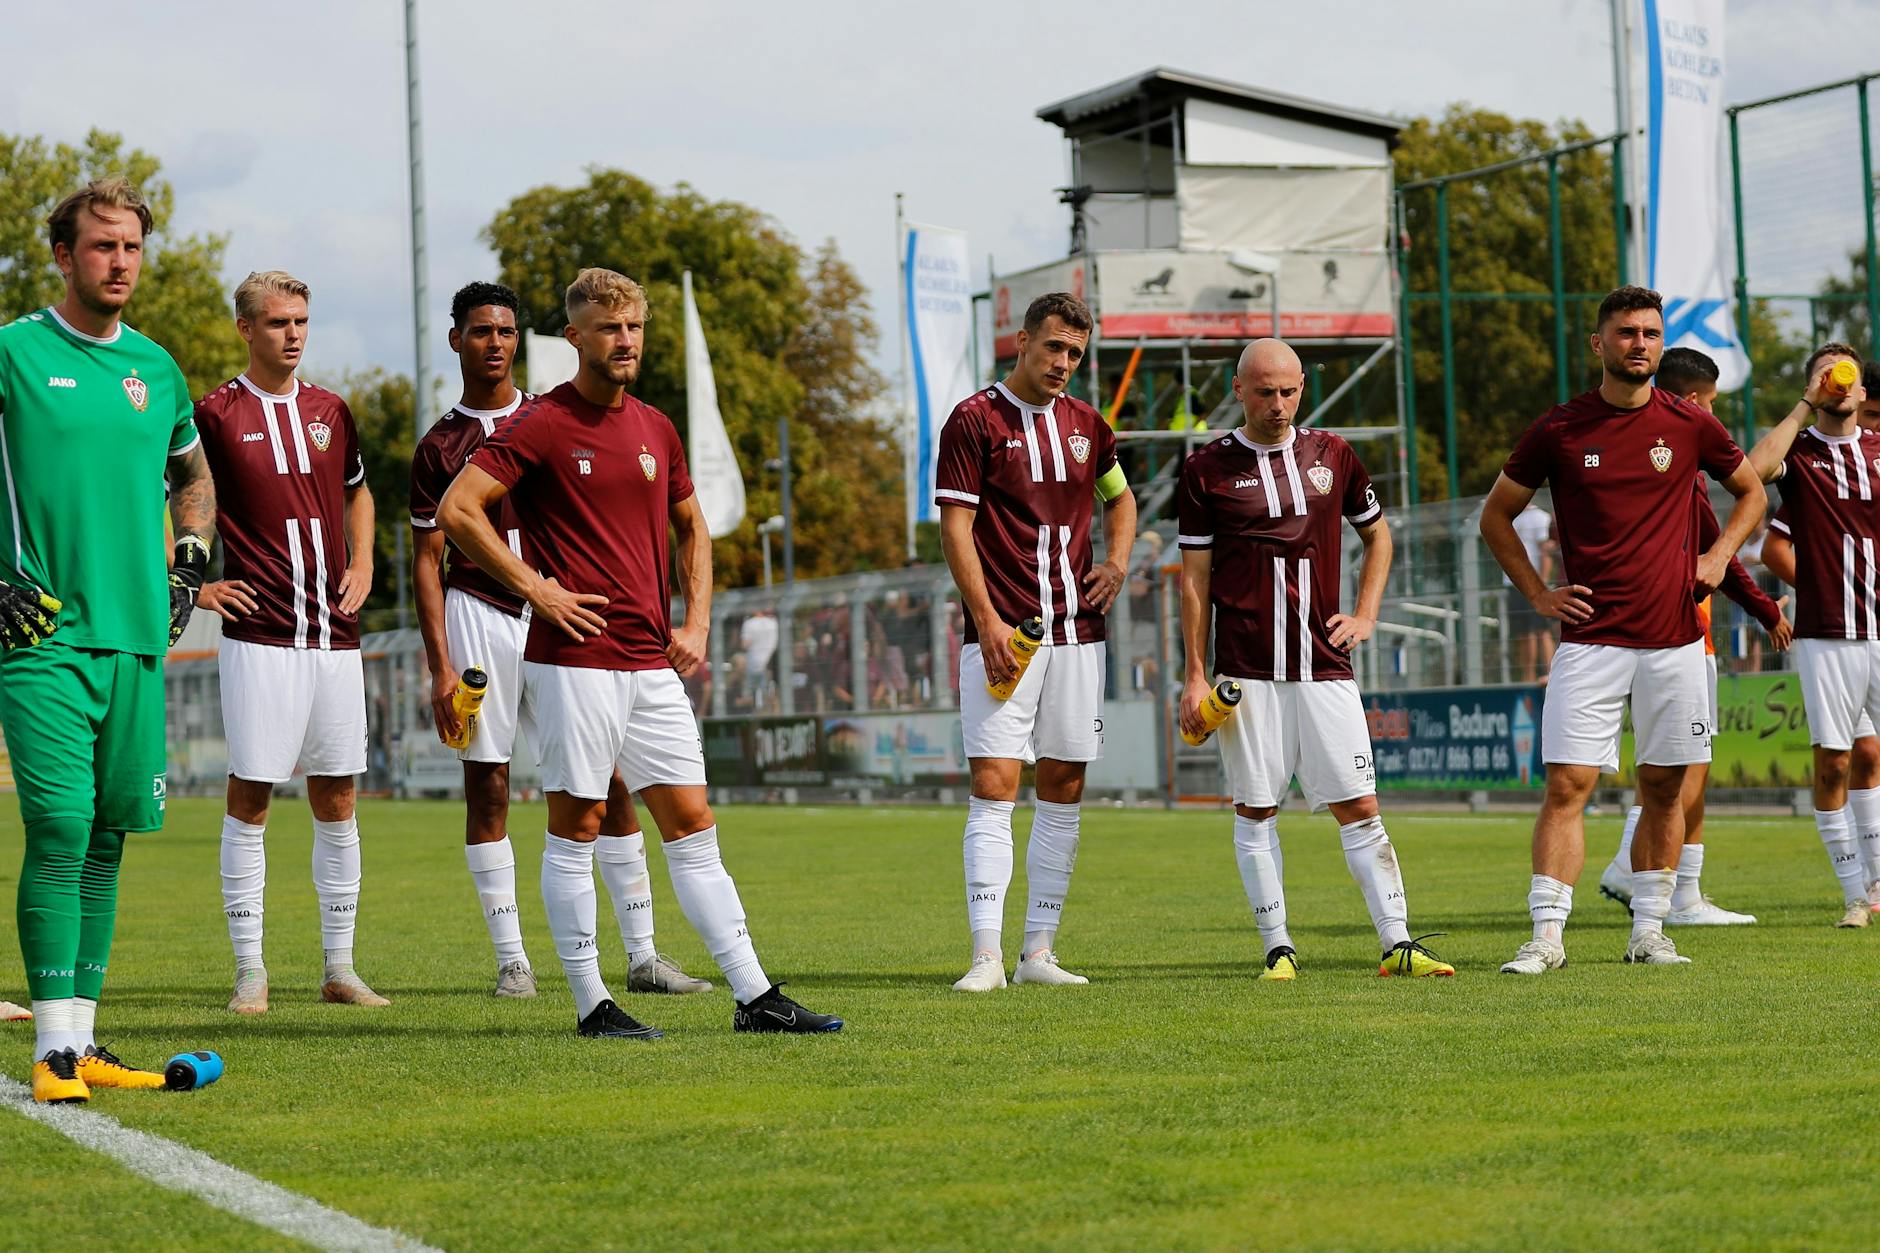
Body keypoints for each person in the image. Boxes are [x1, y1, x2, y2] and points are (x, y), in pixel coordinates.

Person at [438, 267, 840, 1036]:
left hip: (650, 662)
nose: (625, 341)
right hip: (574, 660)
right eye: (609, 328)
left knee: (692, 823)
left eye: (635, 328)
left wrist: (696, 624)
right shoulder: (543, 423)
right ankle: (592, 1003)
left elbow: (694, 526)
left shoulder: (656, 426)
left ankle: (755, 996)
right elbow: (460, 510)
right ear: (575, 338)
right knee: (577, 823)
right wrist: (537, 589)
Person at [409, 281, 708, 999]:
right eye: (481, 331)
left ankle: (642, 952)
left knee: (612, 780)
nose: (496, 343)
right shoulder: (439, 445)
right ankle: (515, 959)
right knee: (490, 785)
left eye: (507, 331)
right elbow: (427, 558)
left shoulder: (555, 415)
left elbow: (679, 520)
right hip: (481, 611)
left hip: (569, 615)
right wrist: (440, 666)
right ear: (458, 340)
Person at [0, 177, 217, 1101]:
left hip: (136, 639)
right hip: (42, 632)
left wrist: (193, 556)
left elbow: (192, 475)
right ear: (62, 254)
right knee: (57, 824)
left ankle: (80, 1042)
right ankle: (52, 1054)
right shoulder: (12, 350)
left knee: (105, 839)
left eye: (131, 246)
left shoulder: (157, 370)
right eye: (102, 246)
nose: (120, 262)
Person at [1480, 286, 1765, 973]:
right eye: (1627, 332)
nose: (1640, 343)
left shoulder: (1690, 424)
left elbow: (1752, 490)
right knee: (1567, 785)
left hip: (1675, 643)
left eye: (1650, 333)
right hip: (1591, 642)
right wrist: (1539, 593)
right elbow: (1496, 515)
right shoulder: (1559, 429)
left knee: (1665, 789)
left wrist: (1719, 554)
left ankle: (1649, 930)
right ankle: (1547, 937)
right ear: (1599, 344)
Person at [1177, 339, 1452, 980]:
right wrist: (1195, 672)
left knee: (1360, 805)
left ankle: (1399, 944)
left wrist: (1366, 614)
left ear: (1303, 387)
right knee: (1256, 809)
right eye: (1265, 391)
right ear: (1238, 388)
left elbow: (1378, 534)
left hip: (1325, 665)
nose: (1278, 404)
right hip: (1245, 671)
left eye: (1289, 391)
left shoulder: (1333, 455)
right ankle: (1278, 949)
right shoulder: (1206, 469)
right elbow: (1193, 578)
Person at [193, 271, 386, 1013]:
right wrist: (197, 586)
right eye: (277, 322)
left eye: (302, 320)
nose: (294, 333)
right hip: (260, 634)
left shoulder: (331, 410)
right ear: (246, 328)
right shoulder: (213, 413)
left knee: (338, 794)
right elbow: (161, 499)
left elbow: (358, 491)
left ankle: (340, 966)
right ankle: (252, 969)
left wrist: (363, 559)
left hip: (334, 635)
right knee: (252, 793)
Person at [934, 292, 1136, 992]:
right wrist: (986, 622)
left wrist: (1116, 562)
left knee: (1065, 784)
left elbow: (1122, 496)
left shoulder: (1087, 425)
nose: (1063, 363)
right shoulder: (973, 420)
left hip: (1080, 636)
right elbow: (955, 529)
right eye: (1053, 347)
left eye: (1075, 353)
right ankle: (986, 954)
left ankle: (1038, 951)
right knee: (994, 785)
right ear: (1020, 341)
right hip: (1005, 635)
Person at [1594, 347, 1791, 925]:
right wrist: (1765, 610)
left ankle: (1672, 889)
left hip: (1676, 634)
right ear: (1691, 401)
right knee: (1680, 767)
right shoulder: (1677, 463)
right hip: (1679, 634)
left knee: (1681, 765)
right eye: (1709, 403)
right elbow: (1719, 556)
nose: (1714, 416)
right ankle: (1652, 883)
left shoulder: (1669, 458)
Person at [1746, 343, 1880, 928]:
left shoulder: (1879, 449)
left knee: (1872, 757)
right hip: (1828, 634)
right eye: (1826, 376)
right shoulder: (1798, 455)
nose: (1840, 384)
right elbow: (1750, 472)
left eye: (1846, 375)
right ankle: (1855, 895)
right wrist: (1807, 402)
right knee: (1833, 764)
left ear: (1865, 394)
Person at [1507, 503, 1557, 682]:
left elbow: (1546, 553)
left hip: (1534, 582)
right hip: (1514, 584)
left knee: (1541, 630)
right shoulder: (1509, 516)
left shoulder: (1540, 517)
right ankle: (1527, 678)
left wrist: (1541, 585)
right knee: (1523, 633)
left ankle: (1551, 674)